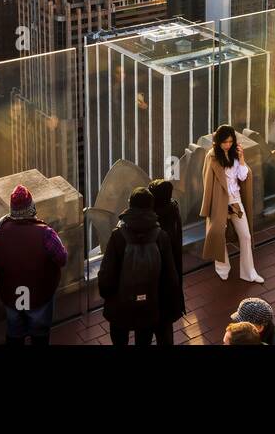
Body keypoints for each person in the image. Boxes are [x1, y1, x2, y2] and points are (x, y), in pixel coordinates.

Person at [0, 184, 68, 345]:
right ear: (32, 207)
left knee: (15, 333)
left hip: (11, 293)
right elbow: (62, 258)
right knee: (40, 334)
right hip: (39, 294)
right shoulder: (45, 233)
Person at [98, 187, 181, 346]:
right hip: (149, 305)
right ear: (151, 206)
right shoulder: (161, 236)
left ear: (130, 204)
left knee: (119, 339)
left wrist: (109, 297)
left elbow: (106, 275)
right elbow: (171, 278)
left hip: (119, 306)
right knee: (144, 339)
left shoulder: (118, 236)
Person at [200, 124, 264, 282]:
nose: (227, 145)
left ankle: (249, 272)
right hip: (219, 202)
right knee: (218, 235)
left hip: (235, 201)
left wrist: (241, 159)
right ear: (218, 142)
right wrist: (209, 206)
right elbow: (207, 182)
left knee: (246, 235)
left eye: (230, 141)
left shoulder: (236, 153)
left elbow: (243, 177)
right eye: (224, 142)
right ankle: (222, 268)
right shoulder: (212, 156)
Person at [148, 178, 185, 344]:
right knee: (165, 331)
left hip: (152, 282)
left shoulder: (152, 220)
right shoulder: (173, 211)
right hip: (171, 279)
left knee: (146, 330)